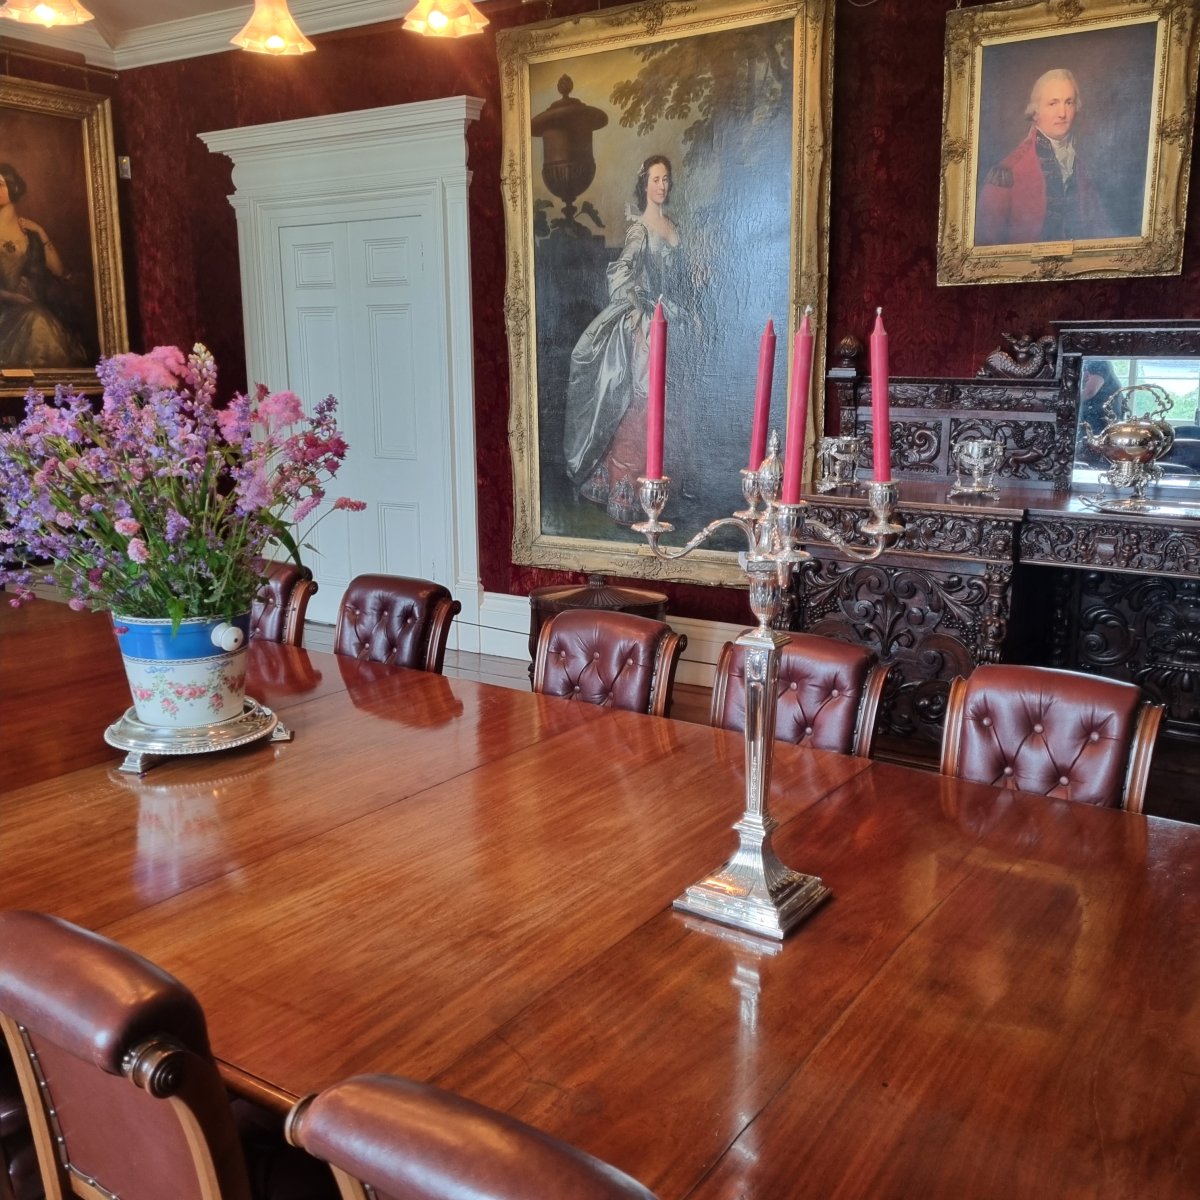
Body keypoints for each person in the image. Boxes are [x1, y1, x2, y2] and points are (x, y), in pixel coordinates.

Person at [563, 154, 685, 526]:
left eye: (666, 179)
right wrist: (638, 301)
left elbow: (679, 275)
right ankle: (626, 487)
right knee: (641, 400)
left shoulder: (673, 225)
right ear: (644, 184)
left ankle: (661, 487)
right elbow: (621, 271)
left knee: (670, 402)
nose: (662, 185)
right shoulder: (640, 229)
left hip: (674, 319)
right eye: (656, 179)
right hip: (646, 323)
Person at [975, 68, 1111, 246]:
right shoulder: (1007, 171)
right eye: (1053, 104)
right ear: (1035, 111)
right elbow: (986, 245)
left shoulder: (1081, 168)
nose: (1062, 113)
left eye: (1069, 102)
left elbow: (1101, 234)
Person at [0, 161, 86, 368]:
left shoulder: (31, 231)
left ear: (13, 187)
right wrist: (11, 297)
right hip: (4, 313)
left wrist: (41, 233)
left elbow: (58, 271)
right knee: (36, 320)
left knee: (39, 320)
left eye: (0, 185)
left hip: (34, 306)